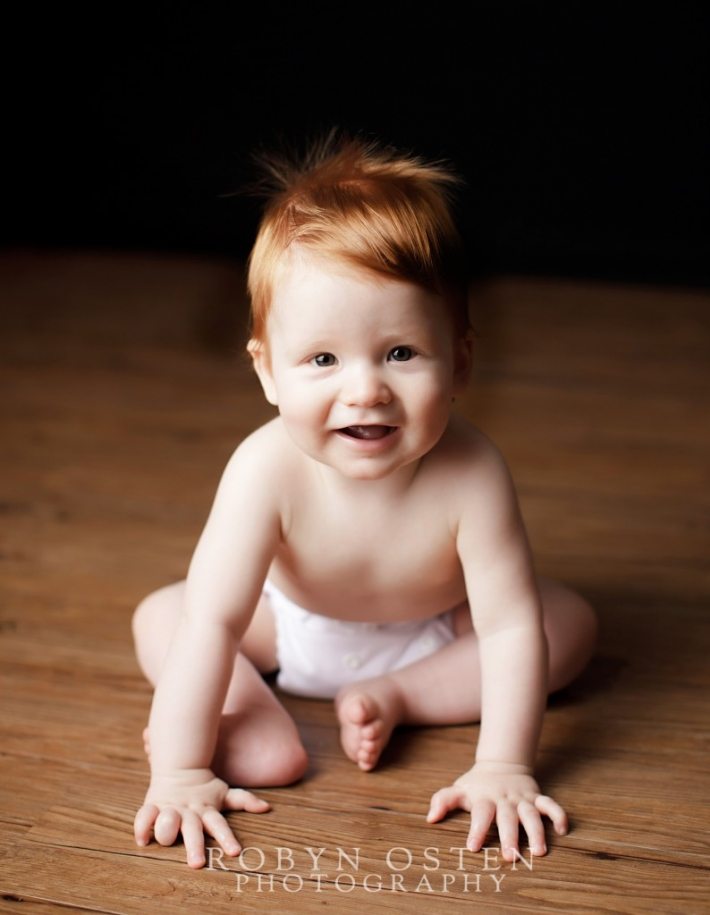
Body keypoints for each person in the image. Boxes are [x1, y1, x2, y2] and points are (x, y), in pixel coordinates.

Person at [131, 134, 598, 870]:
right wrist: (181, 773)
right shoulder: (264, 469)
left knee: (563, 625)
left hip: (435, 634)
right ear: (268, 372)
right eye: (322, 359)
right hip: (286, 629)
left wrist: (504, 764)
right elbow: (214, 620)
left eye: (401, 352)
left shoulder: (474, 471)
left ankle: (401, 695)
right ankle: (245, 708)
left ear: (461, 359)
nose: (365, 389)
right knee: (167, 614)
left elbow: (507, 626)